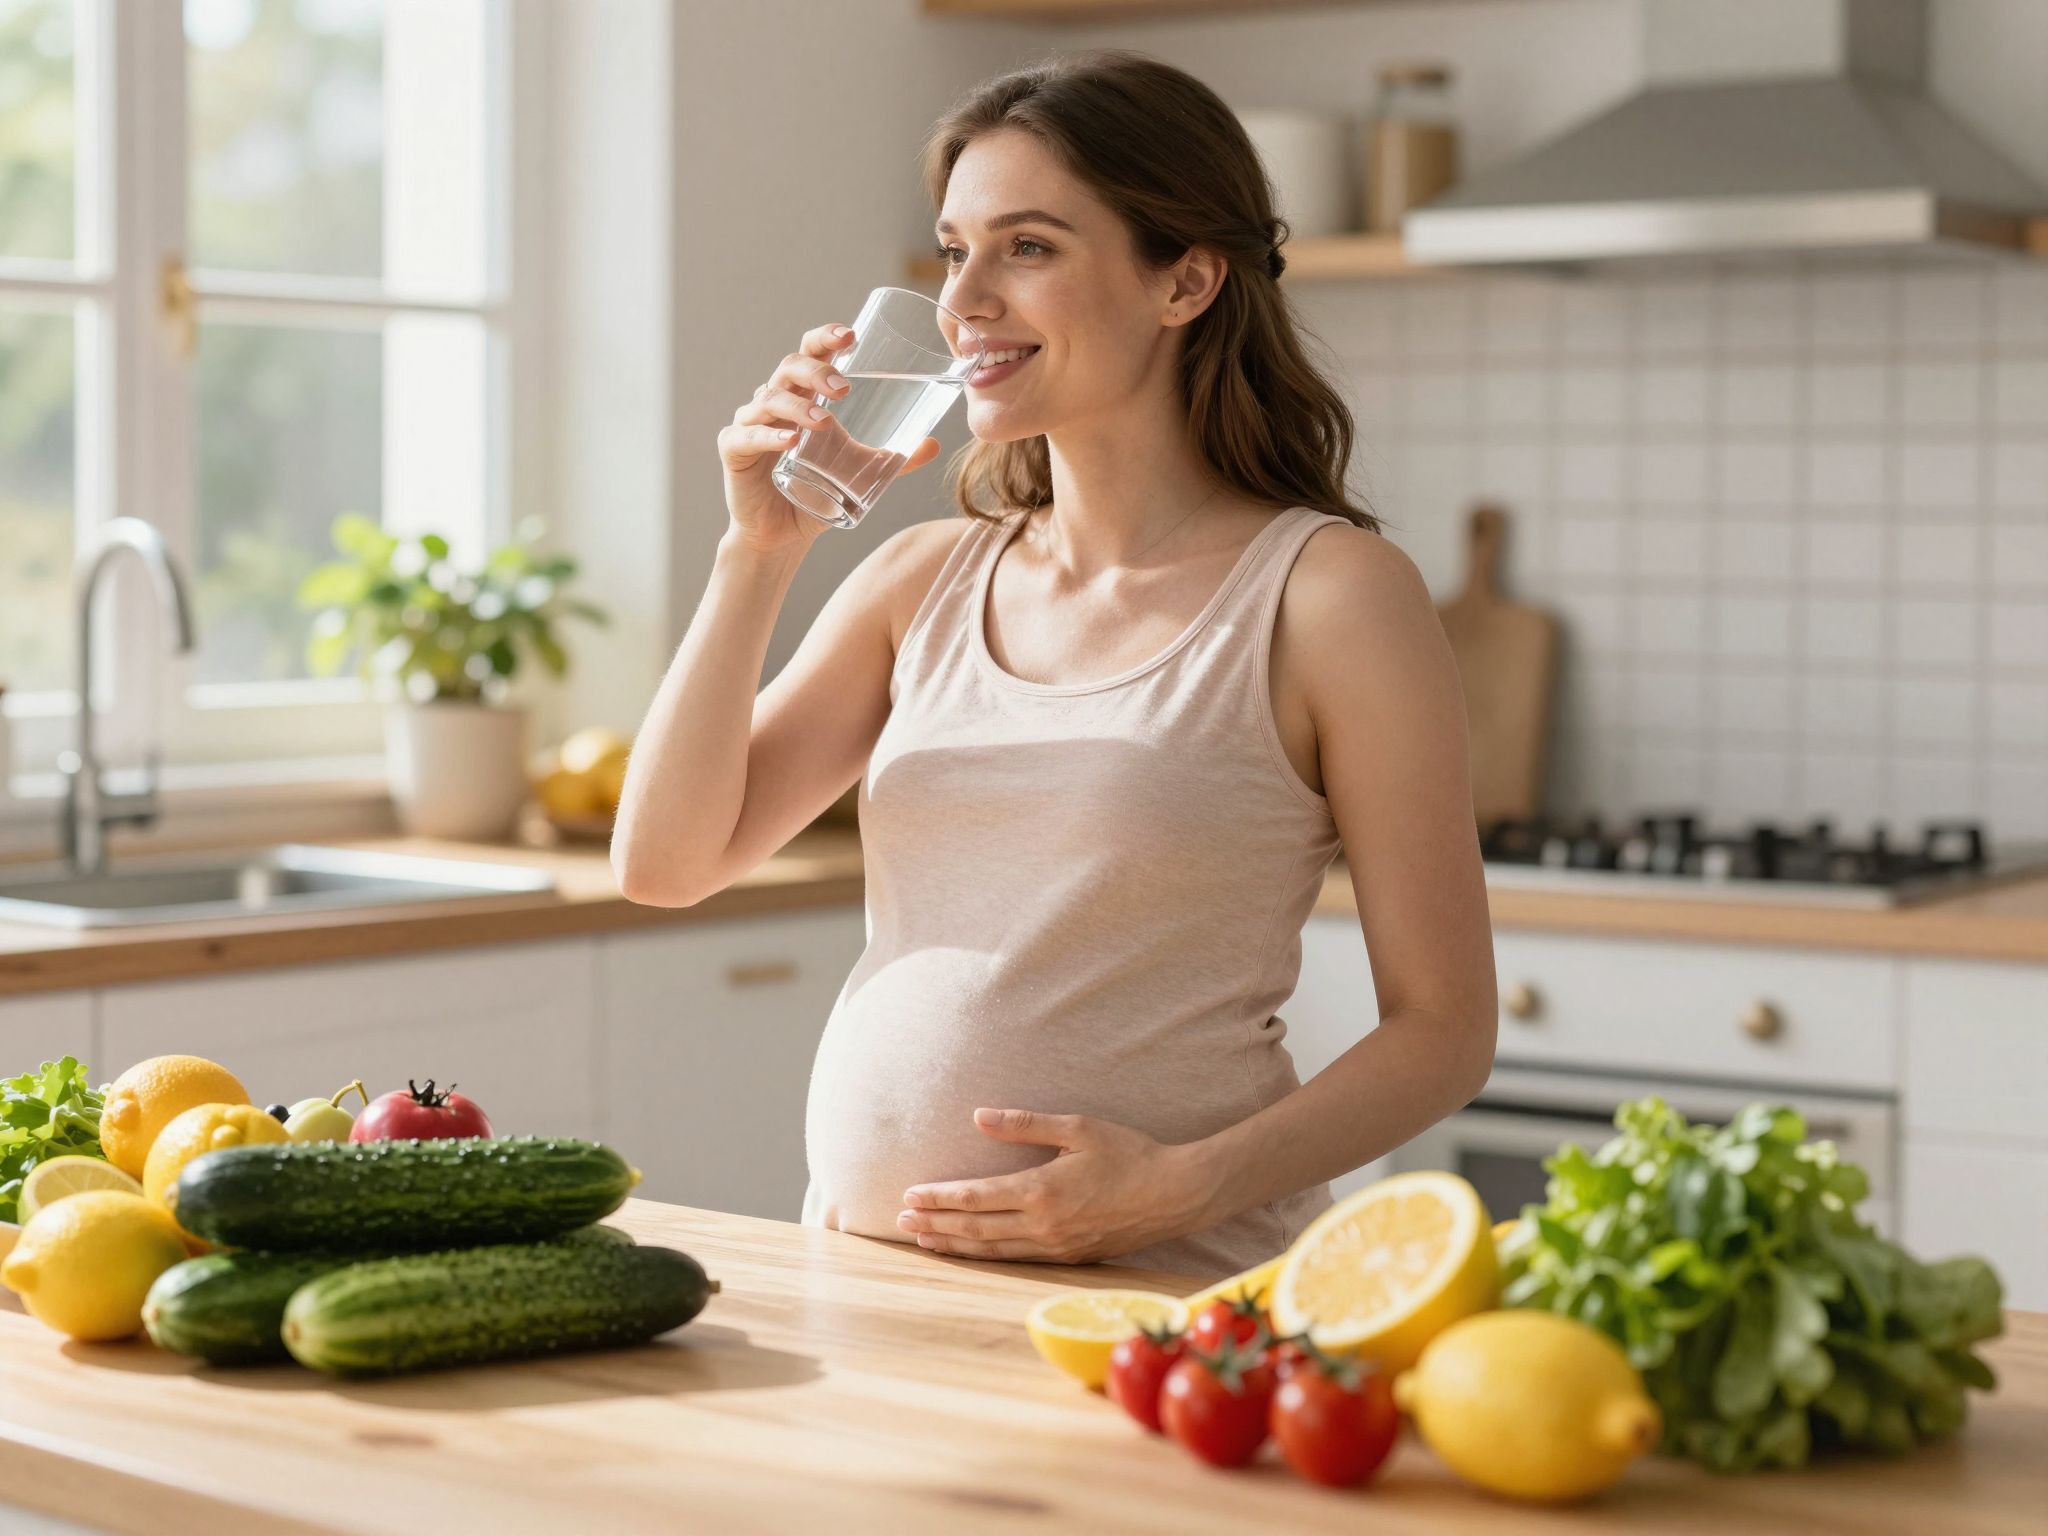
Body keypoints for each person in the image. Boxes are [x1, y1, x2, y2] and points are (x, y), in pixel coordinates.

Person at [612, 49, 1496, 1280]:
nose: (963, 297)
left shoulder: (1330, 598)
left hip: (1165, 1294)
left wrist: (1173, 1189)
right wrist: (757, 551)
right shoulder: (916, 580)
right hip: (869, 1279)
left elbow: (1444, 1032)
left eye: (1025, 247)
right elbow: (661, 864)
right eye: (952, 247)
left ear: (1183, 279)